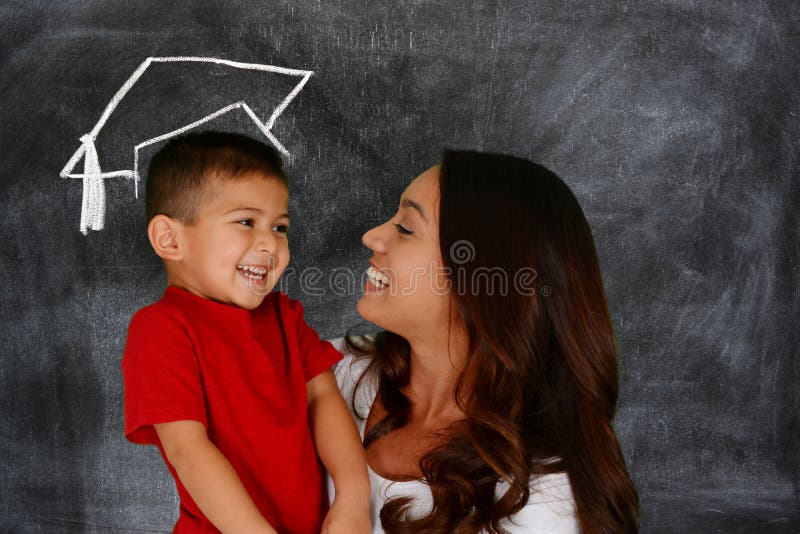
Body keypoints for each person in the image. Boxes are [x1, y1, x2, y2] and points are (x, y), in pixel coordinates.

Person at [332, 150, 639, 533]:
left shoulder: (537, 500)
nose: (371, 236)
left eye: (407, 228)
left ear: (480, 283)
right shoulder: (339, 370)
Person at [122, 131, 370, 534]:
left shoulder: (284, 316)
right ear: (170, 239)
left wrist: (353, 495)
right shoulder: (161, 329)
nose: (270, 244)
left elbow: (323, 396)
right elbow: (188, 450)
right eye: (246, 222)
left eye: (280, 227)